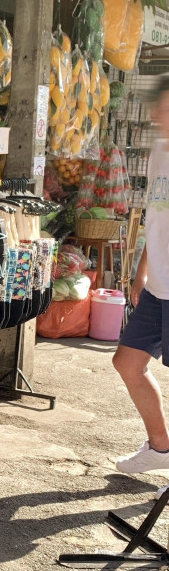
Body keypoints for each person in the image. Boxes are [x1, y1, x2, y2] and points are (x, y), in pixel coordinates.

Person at [114, 75, 169, 473]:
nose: (159, 116)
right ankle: (161, 448)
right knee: (127, 363)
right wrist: (141, 272)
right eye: (159, 108)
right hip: (157, 286)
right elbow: (157, 218)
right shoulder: (160, 151)